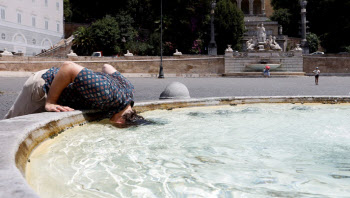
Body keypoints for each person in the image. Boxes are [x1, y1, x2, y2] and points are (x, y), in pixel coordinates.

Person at [5, 62, 144, 127]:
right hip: (42, 85)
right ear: (120, 121)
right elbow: (68, 67)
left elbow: (107, 67)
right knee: (10, 126)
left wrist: (92, 79)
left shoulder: (129, 91)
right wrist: (51, 102)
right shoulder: (105, 94)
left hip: (56, 86)